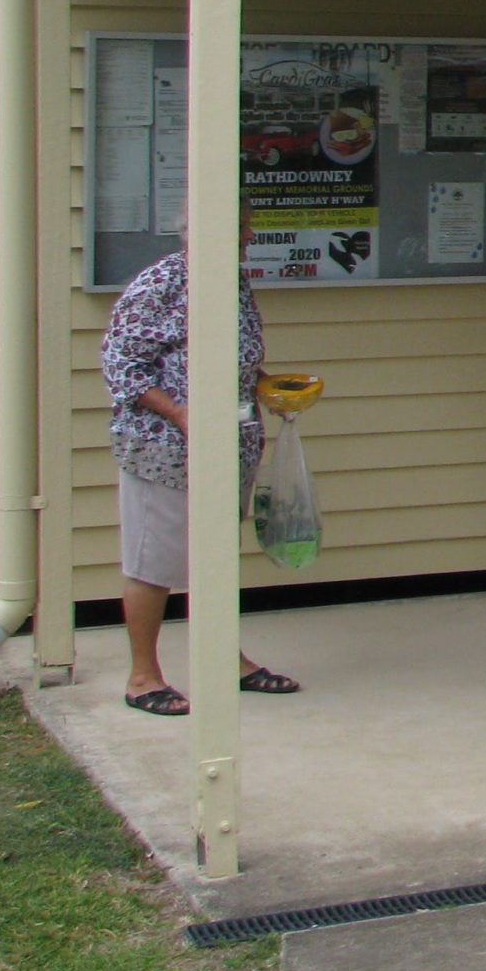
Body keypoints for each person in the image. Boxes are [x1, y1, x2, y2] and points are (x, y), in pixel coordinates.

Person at [100, 202, 302, 714]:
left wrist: (269, 386)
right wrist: (180, 413)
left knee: (213, 555)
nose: (249, 235)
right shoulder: (162, 283)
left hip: (230, 444)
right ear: (204, 231)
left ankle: (224, 660)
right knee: (153, 560)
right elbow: (122, 363)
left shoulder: (232, 282)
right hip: (164, 449)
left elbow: (238, 358)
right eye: (240, 227)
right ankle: (143, 677)